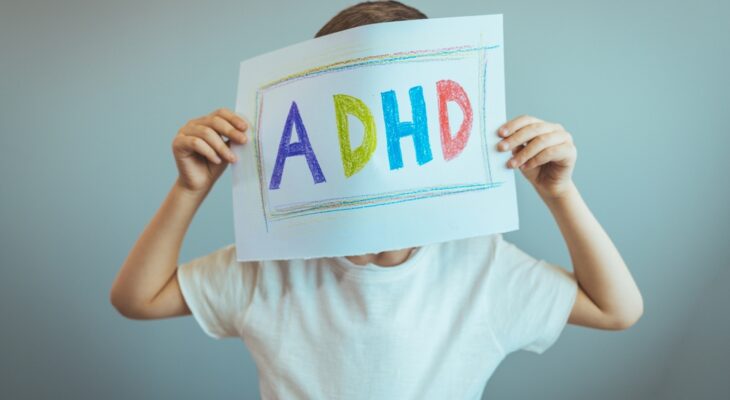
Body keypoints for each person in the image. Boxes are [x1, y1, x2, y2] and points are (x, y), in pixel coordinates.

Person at [110, 1, 643, 398]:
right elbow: (137, 298)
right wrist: (189, 189)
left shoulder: (480, 268)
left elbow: (616, 309)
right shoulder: (269, 267)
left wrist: (560, 193)